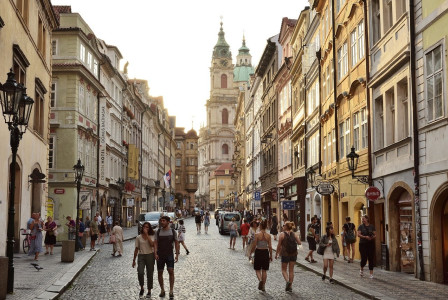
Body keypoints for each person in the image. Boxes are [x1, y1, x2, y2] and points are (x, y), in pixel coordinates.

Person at [154, 216, 180, 299]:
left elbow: (176, 243)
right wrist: (155, 253)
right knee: (160, 272)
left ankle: (171, 291)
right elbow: (155, 243)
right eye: (161, 221)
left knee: (171, 271)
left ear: (168, 222)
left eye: (164, 221)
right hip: (160, 254)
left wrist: (177, 254)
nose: (162, 222)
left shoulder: (173, 231)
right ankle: (162, 290)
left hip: (169, 254)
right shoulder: (158, 232)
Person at [275, 221, 302, 292]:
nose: (283, 226)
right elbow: (299, 243)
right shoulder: (294, 234)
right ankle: (290, 287)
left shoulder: (282, 234)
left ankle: (287, 282)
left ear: (286, 226)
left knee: (284, 270)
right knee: (291, 270)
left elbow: (279, 245)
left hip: (285, 254)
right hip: (293, 254)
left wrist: (277, 253)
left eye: (284, 225)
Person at [133, 221, 155, 298]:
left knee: (150, 274)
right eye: (144, 227)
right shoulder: (138, 237)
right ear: (142, 228)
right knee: (140, 272)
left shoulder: (152, 236)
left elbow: (152, 244)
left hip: (150, 255)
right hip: (141, 256)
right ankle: (142, 287)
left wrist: (147, 235)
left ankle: (149, 290)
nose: (145, 228)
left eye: (147, 227)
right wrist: (133, 260)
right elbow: (136, 249)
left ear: (149, 228)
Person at [249, 220, 272, 292]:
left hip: (258, 251)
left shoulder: (257, 234)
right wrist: (271, 255)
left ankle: (260, 280)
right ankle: (263, 286)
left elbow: (254, 245)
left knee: (257, 269)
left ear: (260, 226)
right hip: (265, 252)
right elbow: (270, 246)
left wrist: (250, 253)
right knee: (264, 270)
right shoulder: (268, 236)